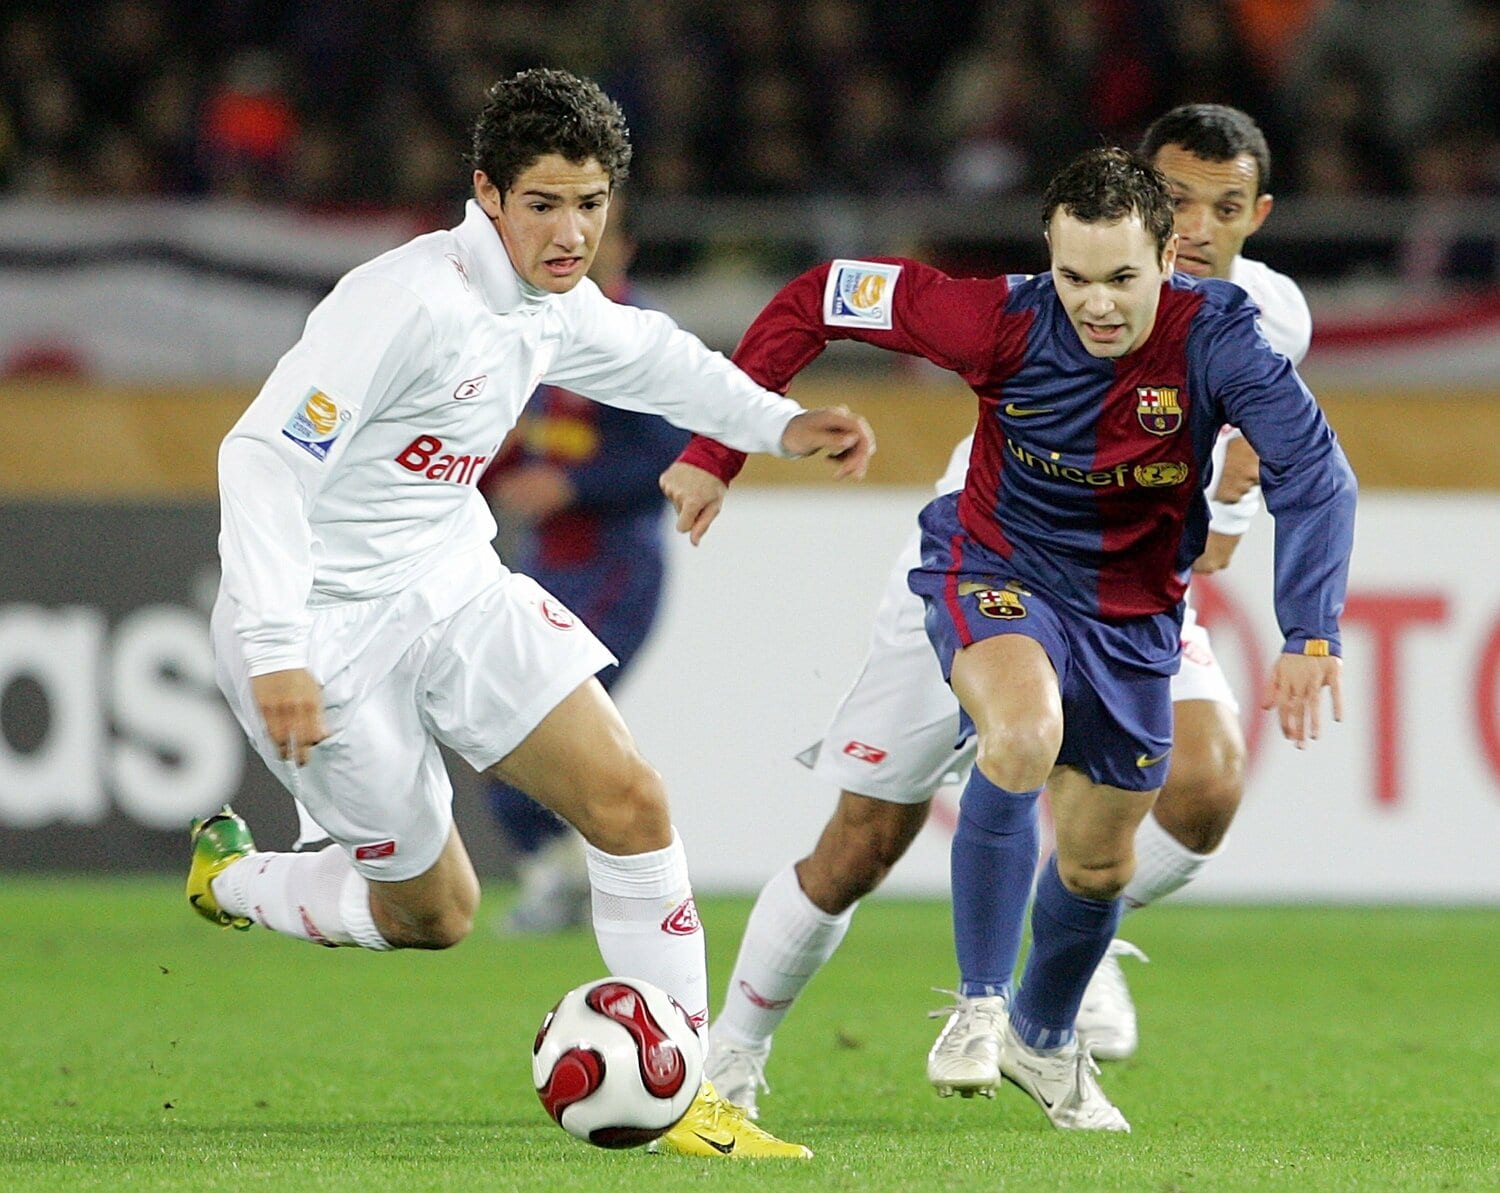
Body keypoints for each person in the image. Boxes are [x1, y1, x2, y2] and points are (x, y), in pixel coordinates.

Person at [193, 67, 874, 1161]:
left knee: (630, 801)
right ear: (488, 193)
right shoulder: (403, 301)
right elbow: (263, 457)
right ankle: (230, 878)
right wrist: (275, 646)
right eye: (545, 203)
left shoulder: (551, 303)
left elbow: (656, 361)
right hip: (321, 626)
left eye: (591, 204)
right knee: (435, 913)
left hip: (452, 585)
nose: (572, 233)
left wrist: (780, 425)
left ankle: (686, 1091)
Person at [663, 144, 1354, 1130]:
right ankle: (753, 1049)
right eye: (1075, 277)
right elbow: (820, 294)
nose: (1097, 305)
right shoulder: (996, 317)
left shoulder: (1230, 335)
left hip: (1130, 609)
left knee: (1104, 861)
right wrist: (717, 448)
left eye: (1122, 279)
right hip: (989, 568)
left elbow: (1316, 475)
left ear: (1168, 259)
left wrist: (1311, 631)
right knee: (892, 821)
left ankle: (1041, 1033)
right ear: (1047, 258)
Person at [477, 200, 690, 936]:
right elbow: (531, 438)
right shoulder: (542, 327)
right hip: (546, 565)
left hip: (616, 565)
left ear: (622, 246)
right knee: (503, 725)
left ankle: (596, 878)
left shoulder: (639, 337)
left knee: (535, 723)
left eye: (594, 235)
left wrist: (572, 485)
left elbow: (672, 455)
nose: (574, 248)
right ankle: (567, 874)